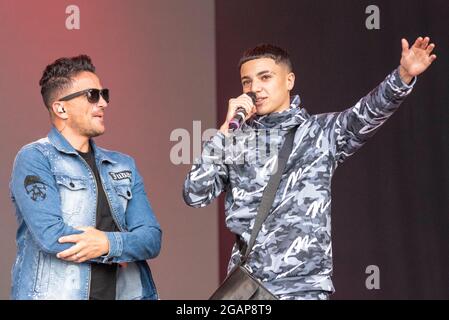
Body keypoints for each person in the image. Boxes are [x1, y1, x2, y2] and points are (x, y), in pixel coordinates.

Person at [183, 37, 436, 300]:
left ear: (289, 80)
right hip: (247, 288)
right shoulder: (235, 141)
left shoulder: (320, 133)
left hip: (303, 287)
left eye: (265, 77)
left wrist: (403, 75)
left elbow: (367, 113)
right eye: (247, 82)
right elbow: (194, 194)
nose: (255, 88)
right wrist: (223, 134)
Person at [9, 55, 162, 300]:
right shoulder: (35, 158)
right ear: (61, 108)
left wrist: (109, 244)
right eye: (92, 95)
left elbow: (151, 238)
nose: (103, 103)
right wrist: (121, 246)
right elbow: (52, 235)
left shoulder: (123, 165)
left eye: (105, 95)